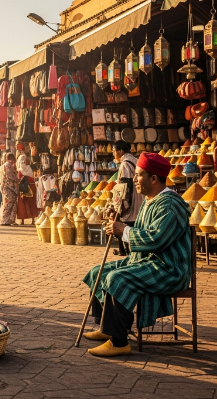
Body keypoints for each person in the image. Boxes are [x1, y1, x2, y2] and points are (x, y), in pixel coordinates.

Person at [81, 153, 191, 357]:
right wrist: (119, 225)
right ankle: (107, 328)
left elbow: (156, 239)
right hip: (147, 261)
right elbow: (141, 229)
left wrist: (123, 230)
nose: (134, 179)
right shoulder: (150, 200)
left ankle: (119, 340)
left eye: (139, 175)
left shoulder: (169, 204)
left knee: (117, 278)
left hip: (168, 268)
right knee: (99, 272)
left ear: (153, 179)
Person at [112, 141, 144, 256]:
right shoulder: (136, 160)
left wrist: (124, 205)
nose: (113, 153)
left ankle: (129, 255)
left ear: (120, 151)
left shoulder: (125, 163)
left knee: (125, 228)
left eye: (114, 151)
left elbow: (126, 187)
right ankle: (127, 252)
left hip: (132, 202)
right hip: (140, 200)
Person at [16, 153, 39, 225]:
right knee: (22, 204)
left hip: (31, 187)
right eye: (21, 160)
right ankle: (22, 219)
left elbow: (32, 178)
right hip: (23, 188)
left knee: (31, 203)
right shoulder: (19, 170)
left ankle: (33, 219)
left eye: (24, 160)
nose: (23, 161)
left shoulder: (30, 168)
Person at [0, 153, 19, 225]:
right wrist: (17, 178)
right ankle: (6, 220)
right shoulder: (8, 165)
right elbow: (10, 176)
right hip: (9, 187)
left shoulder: (3, 166)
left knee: (7, 203)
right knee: (9, 203)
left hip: (6, 187)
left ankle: (6, 220)